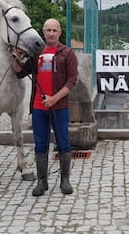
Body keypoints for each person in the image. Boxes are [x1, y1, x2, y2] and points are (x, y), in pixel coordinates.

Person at [13, 18, 78, 196]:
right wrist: (16, 57)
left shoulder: (67, 53)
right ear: (43, 31)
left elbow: (72, 80)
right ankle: (42, 182)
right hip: (39, 108)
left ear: (60, 32)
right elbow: (19, 72)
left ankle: (65, 180)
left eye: (54, 30)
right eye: (48, 30)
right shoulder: (36, 54)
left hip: (60, 107)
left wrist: (54, 98)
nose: (51, 33)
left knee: (63, 143)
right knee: (40, 144)